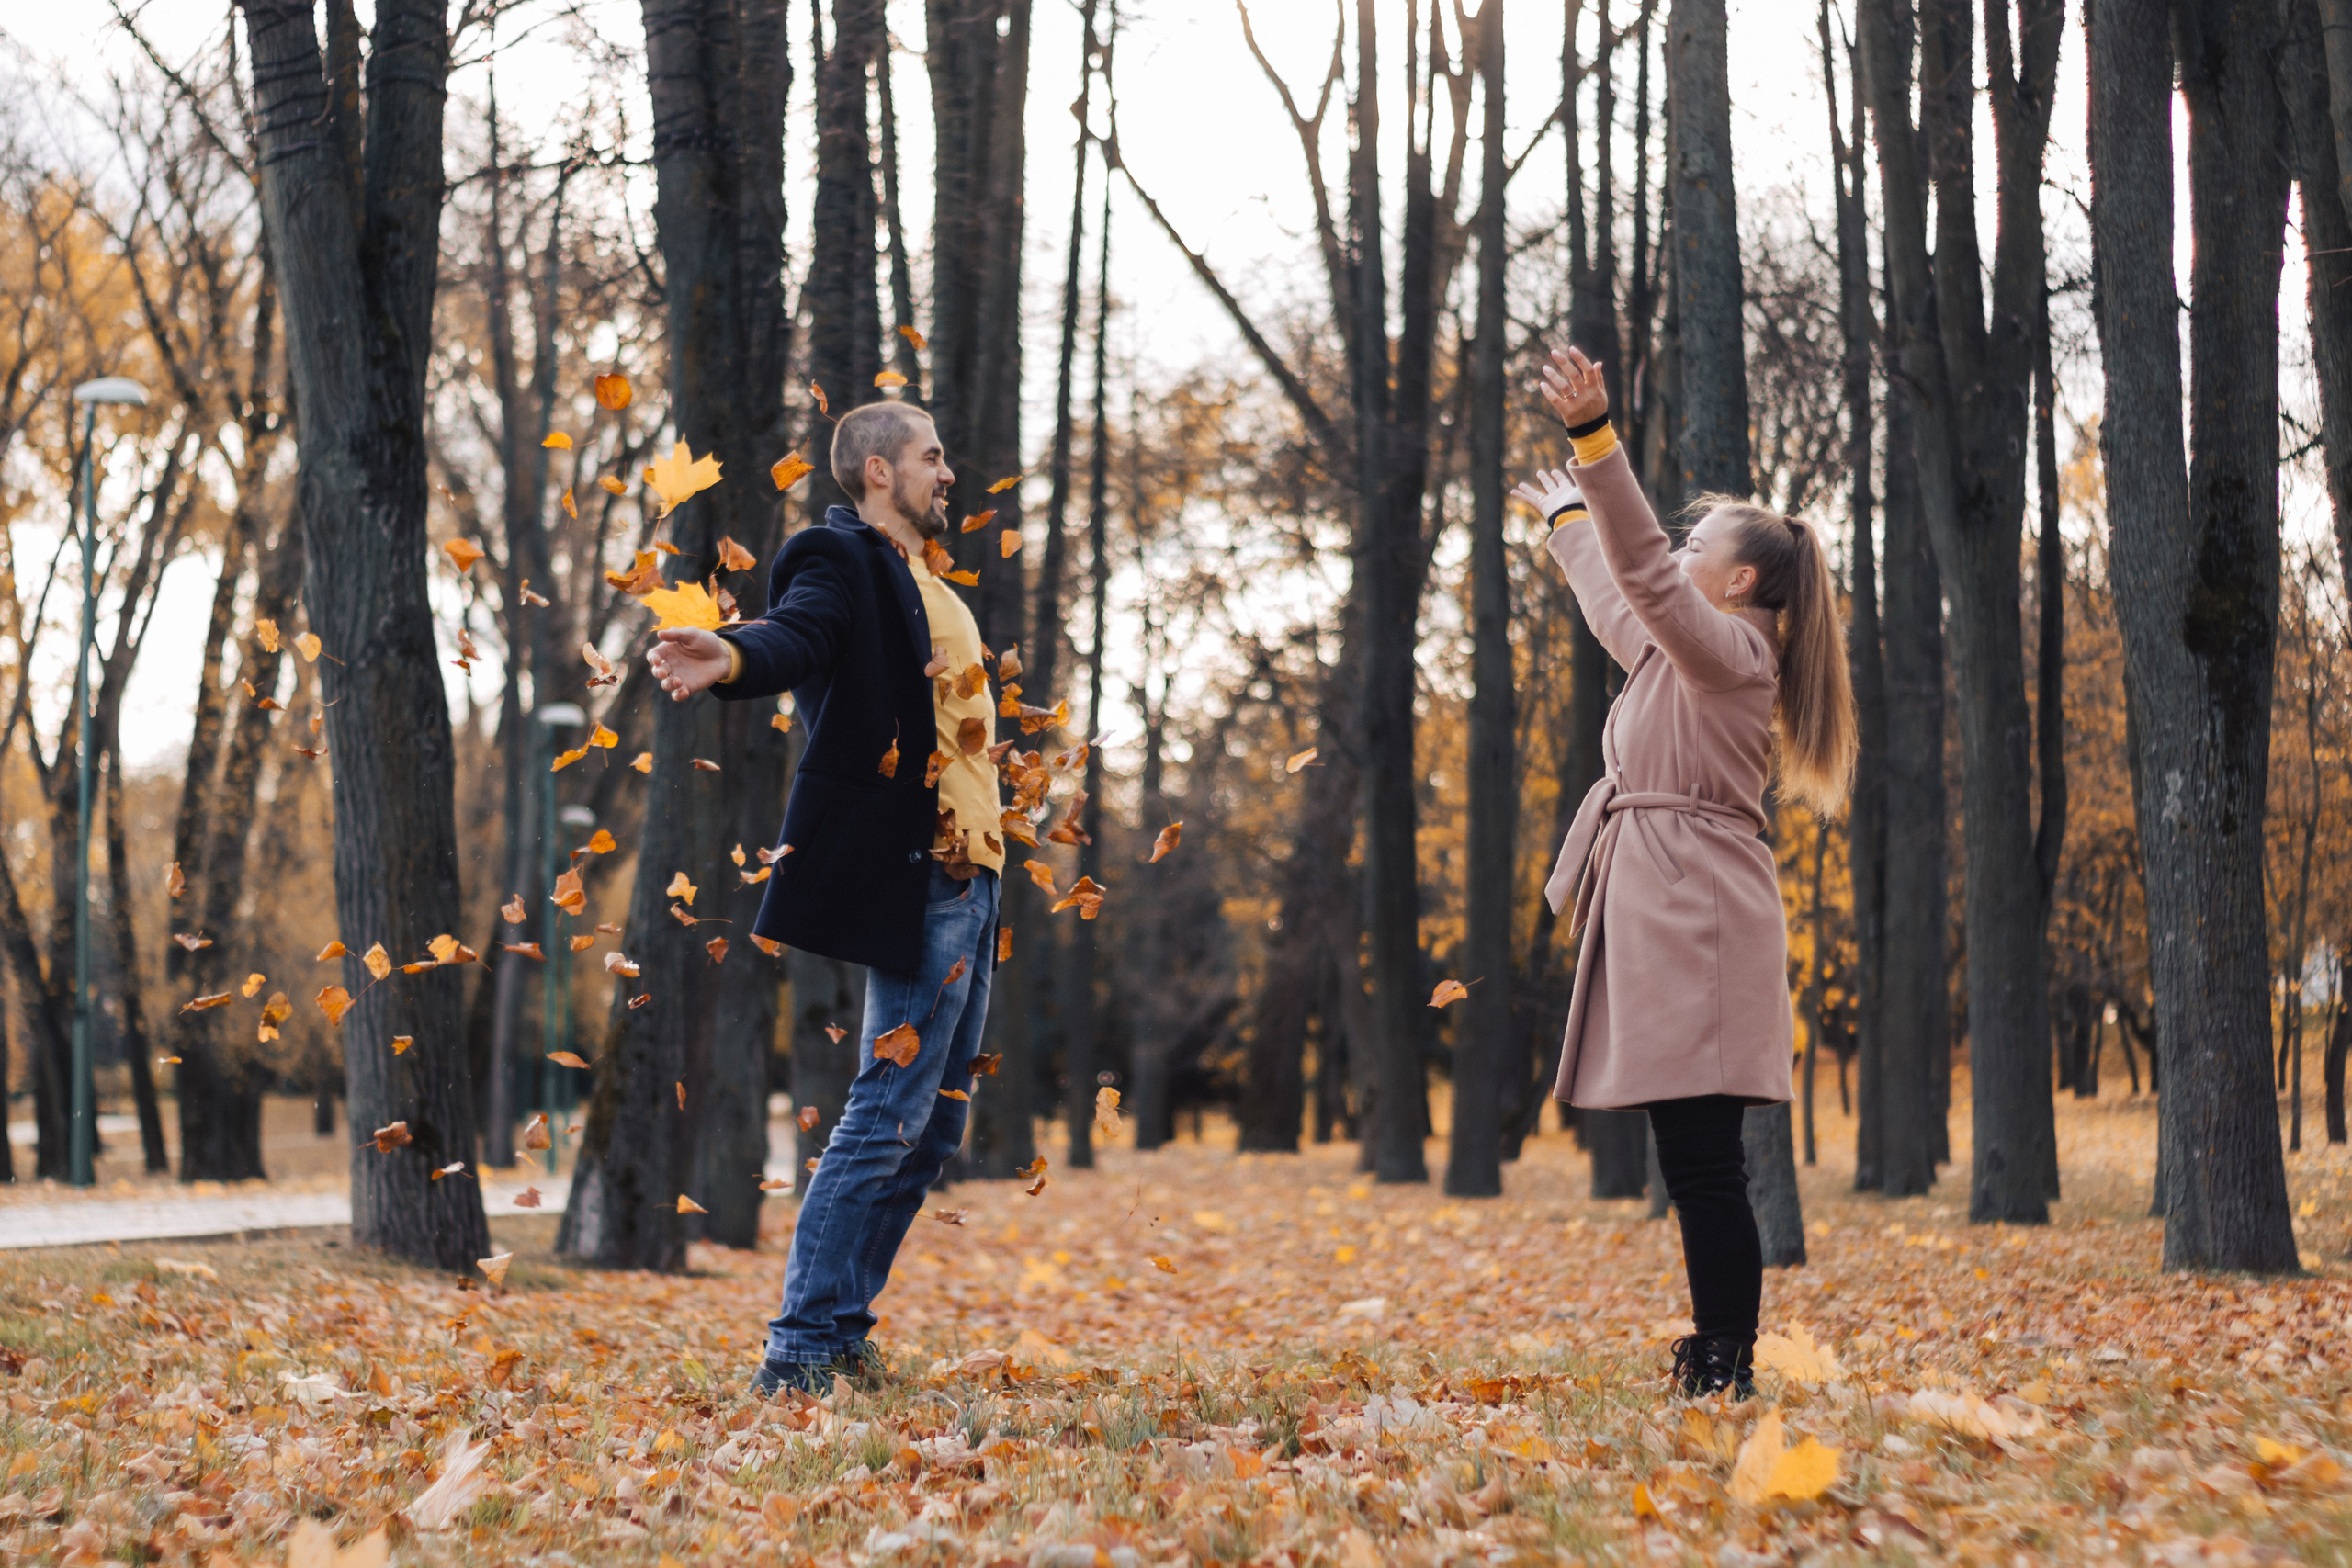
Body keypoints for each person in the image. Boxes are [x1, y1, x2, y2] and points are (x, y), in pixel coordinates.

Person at [1513, 346, 1856, 1401]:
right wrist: (1572, 524)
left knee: (1704, 1164)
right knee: (1691, 1158)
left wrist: (1598, 445)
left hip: (1696, 914)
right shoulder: (1683, 653)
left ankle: (1723, 1363)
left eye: (1695, 540)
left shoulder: (1736, 653)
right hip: (1670, 900)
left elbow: (1649, 585)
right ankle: (1716, 1354)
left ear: (1740, 579)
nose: (1676, 547)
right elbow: (1625, 608)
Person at [646, 401, 1006, 1398]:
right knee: (885, 1108)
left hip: (973, 868)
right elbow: (799, 633)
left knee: (933, 1127)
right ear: (880, 471)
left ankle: (840, 1333)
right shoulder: (836, 554)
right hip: (920, 866)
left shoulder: (925, 580)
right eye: (933, 456)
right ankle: (802, 1348)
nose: (947, 472)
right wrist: (734, 655)